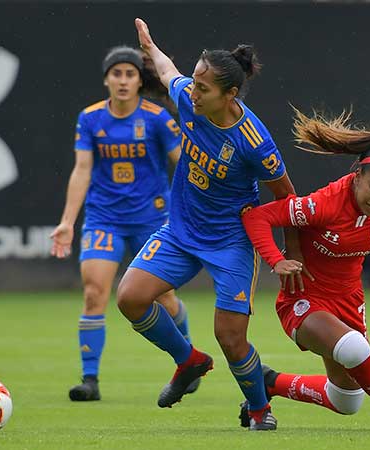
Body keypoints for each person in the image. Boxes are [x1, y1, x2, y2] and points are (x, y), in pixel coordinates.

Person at [115, 18, 303, 431]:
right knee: (129, 297)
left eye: (203, 87)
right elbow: (168, 72)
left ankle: (259, 410)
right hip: (181, 231)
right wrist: (151, 47)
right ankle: (189, 361)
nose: (192, 91)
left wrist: (288, 255)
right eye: (194, 82)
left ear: (230, 94)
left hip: (231, 242)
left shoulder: (254, 142)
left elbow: (286, 198)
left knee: (231, 337)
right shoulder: (188, 99)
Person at [240, 108, 370, 431]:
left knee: (346, 401)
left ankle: (268, 382)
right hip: (305, 301)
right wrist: (276, 260)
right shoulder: (323, 204)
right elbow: (257, 217)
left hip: (349, 302)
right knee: (354, 348)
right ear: (357, 176)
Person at [49, 46, 197, 402]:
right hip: (104, 219)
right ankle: (90, 380)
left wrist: (196, 210)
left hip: (153, 220)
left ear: (138, 79)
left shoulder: (158, 118)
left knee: (163, 295)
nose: (123, 80)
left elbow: (187, 166)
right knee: (93, 292)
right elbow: (82, 170)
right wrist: (67, 221)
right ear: (106, 79)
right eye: (117, 74)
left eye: (130, 74)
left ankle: (188, 359)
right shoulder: (90, 119)